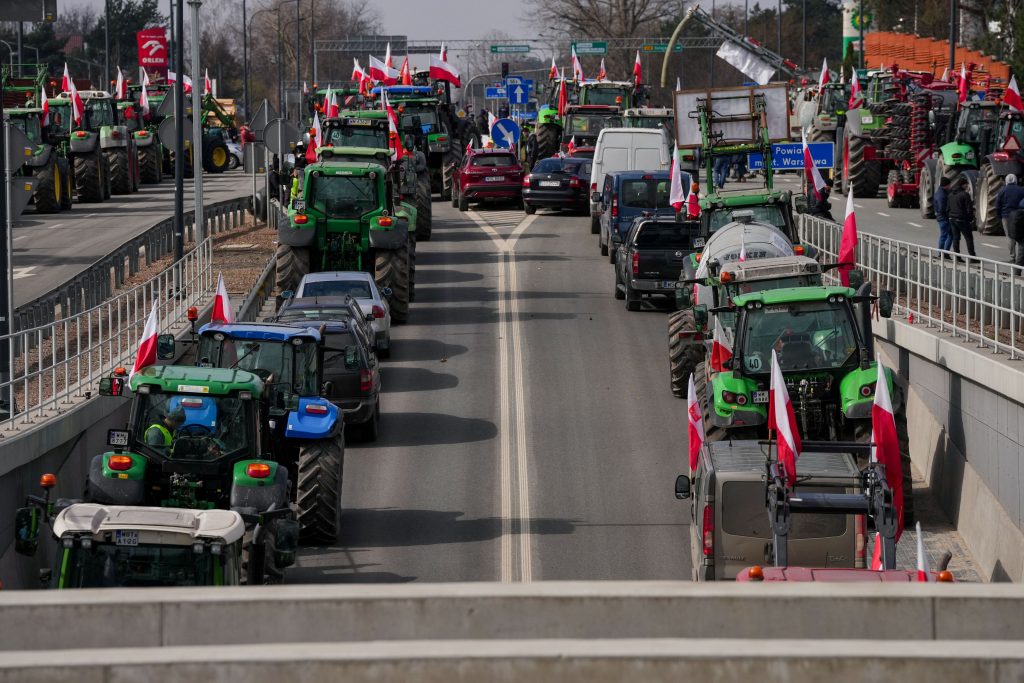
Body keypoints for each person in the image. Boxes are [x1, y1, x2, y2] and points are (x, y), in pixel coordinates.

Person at [995, 174, 1024, 261]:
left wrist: (999, 216)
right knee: (1021, 236)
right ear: (1015, 180)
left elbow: (997, 205)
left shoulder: (1002, 191)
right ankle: (1021, 257)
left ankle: (1013, 257)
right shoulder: (1021, 190)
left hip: (1006, 216)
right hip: (1020, 216)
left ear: (1006, 181)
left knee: (1010, 236)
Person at [948, 177, 977, 257]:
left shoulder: (950, 194)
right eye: (966, 184)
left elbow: (948, 208)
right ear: (962, 185)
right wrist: (970, 219)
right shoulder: (965, 195)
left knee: (956, 238)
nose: (967, 186)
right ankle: (972, 256)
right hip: (962, 219)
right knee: (968, 238)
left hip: (952, 219)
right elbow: (969, 209)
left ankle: (957, 256)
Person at [934, 176, 952, 251]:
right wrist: (947, 217)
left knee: (947, 235)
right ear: (946, 185)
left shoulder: (939, 192)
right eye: (949, 185)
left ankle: (943, 253)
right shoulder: (942, 195)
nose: (950, 186)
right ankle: (943, 253)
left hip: (941, 217)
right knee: (946, 235)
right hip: (943, 218)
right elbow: (942, 208)